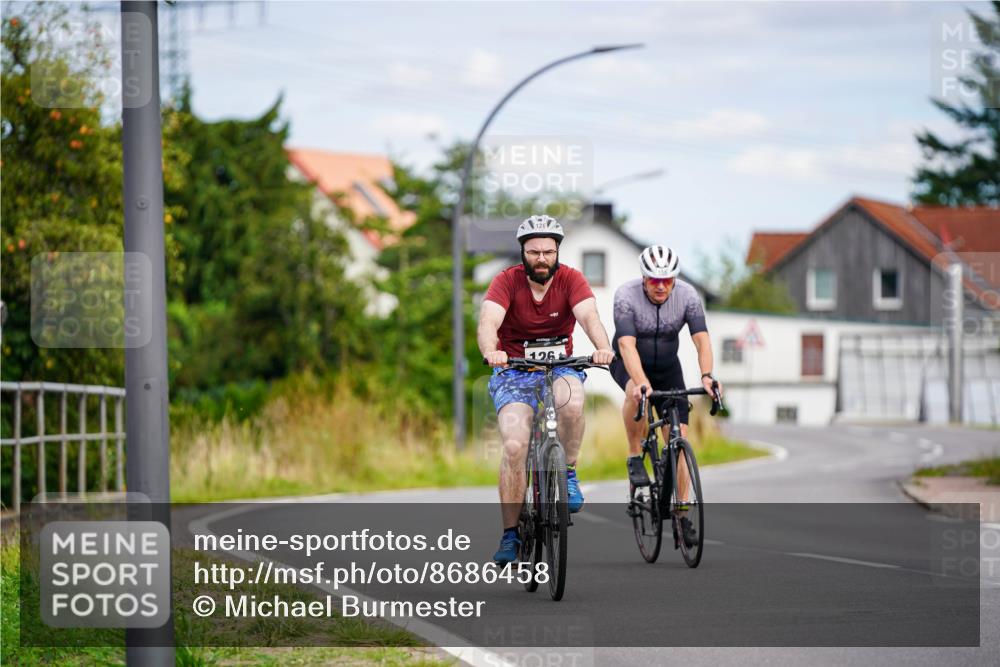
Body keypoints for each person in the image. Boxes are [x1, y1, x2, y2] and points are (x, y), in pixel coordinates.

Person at [478, 215, 615, 564]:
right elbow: (488, 322)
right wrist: (491, 351)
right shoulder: (505, 282)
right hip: (514, 371)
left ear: (558, 252)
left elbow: (589, 318)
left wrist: (602, 347)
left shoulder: (571, 279)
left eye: (548, 251)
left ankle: (567, 472)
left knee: (572, 404)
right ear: (523, 252)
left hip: (560, 367)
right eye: (534, 251)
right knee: (513, 444)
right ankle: (510, 534)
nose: (541, 258)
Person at [610, 245, 723, 543]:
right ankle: (635, 454)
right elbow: (625, 345)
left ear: (674, 278)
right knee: (636, 392)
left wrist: (707, 376)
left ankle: (682, 515)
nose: (661, 286)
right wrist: (641, 381)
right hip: (630, 362)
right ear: (643, 277)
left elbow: (702, 340)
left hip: (668, 367)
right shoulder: (625, 296)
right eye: (654, 280)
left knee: (678, 438)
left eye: (667, 280)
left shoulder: (687, 296)